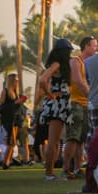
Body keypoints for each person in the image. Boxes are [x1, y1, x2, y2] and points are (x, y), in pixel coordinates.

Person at [38, 38, 74, 181]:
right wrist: (50, 94)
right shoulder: (57, 65)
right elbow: (42, 80)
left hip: (61, 104)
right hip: (57, 105)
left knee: (57, 140)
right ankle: (49, 172)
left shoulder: (62, 65)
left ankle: (51, 171)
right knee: (53, 141)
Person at [63, 36, 96, 178]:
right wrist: (92, 95)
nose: (96, 48)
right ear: (86, 46)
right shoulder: (75, 61)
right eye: (94, 46)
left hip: (85, 103)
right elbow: (77, 81)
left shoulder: (88, 64)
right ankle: (66, 169)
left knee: (81, 138)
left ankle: (77, 168)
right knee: (73, 137)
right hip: (75, 103)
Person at [0, 72, 24, 170]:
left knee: (13, 142)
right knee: (11, 141)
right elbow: (1, 107)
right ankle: (6, 162)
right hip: (9, 119)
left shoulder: (15, 92)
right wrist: (15, 103)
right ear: (12, 81)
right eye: (16, 80)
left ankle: (8, 161)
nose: (17, 82)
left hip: (16, 118)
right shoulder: (5, 91)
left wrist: (20, 102)